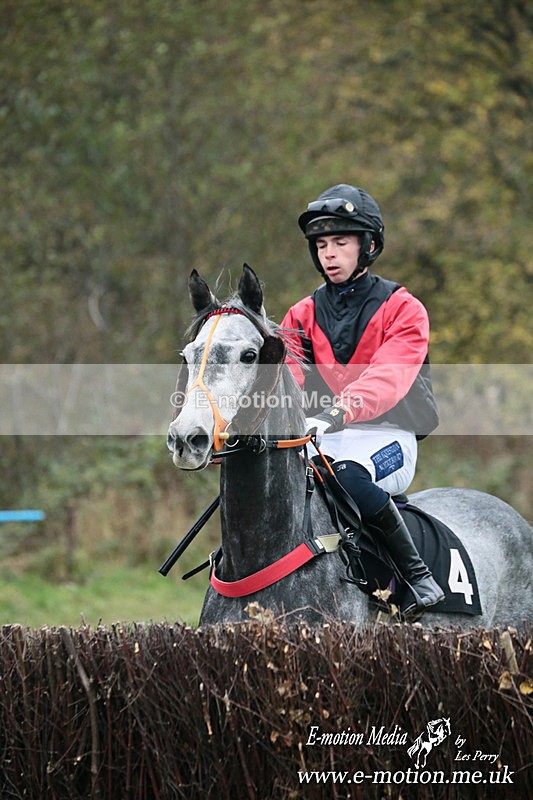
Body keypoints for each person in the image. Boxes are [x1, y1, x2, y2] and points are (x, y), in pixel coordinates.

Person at [281, 183, 444, 615]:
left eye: (340, 242)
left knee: (345, 476)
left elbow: (387, 378)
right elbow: (287, 380)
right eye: (321, 244)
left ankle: (417, 578)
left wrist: (336, 412)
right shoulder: (300, 314)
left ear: (368, 245)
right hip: (321, 437)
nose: (328, 254)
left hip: (387, 438)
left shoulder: (404, 308)